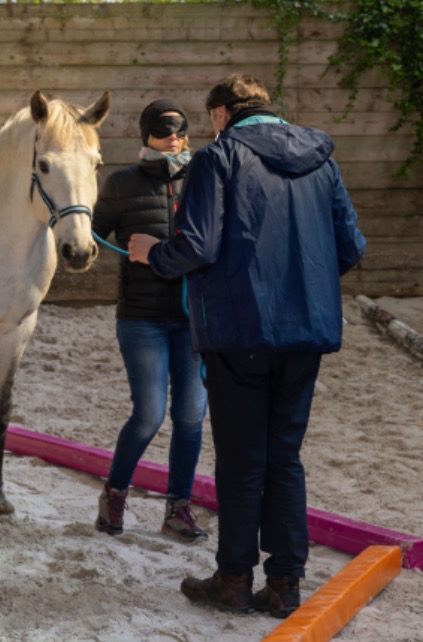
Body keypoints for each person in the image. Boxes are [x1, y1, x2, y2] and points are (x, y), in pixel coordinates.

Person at [128, 74, 366, 617]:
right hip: (306, 334)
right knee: (285, 457)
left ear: (220, 114)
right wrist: (304, 283)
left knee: (241, 460)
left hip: (240, 333)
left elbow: (196, 246)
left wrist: (152, 254)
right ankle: (285, 584)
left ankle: (234, 578)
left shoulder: (218, 159)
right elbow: (349, 246)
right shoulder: (321, 160)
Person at [92, 99, 210, 543]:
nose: (173, 139)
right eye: (163, 132)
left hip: (193, 318)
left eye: (179, 131)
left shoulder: (203, 179)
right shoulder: (122, 182)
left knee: (191, 416)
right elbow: (92, 233)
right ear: (146, 135)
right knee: (148, 414)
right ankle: (115, 495)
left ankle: (178, 508)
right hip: (142, 318)